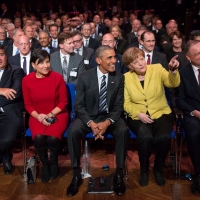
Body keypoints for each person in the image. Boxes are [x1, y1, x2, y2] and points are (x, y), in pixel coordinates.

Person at [66, 45, 129, 197]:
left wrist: (107, 122)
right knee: (73, 132)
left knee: (123, 131)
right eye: (110, 58)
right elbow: (79, 105)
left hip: (110, 116)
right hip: (89, 117)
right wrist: (92, 124)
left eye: (115, 57)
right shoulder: (84, 77)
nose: (114, 60)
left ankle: (119, 174)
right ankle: (76, 174)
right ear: (98, 60)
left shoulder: (119, 77)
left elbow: (119, 105)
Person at [123, 47, 180, 187]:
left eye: (142, 59)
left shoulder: (157, 68)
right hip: (137, 115)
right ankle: (144, 170)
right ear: (130, 66)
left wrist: (172, 70)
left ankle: (158, 169)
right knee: (146, 137)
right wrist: (138, 113)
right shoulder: (125, 78)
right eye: (136, 62)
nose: (141, 63)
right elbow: (125, 103)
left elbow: (173, 83)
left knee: (163, 138)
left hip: (161, 111)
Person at [22, 49, 69, 183]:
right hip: (36, 115)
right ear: (33, 65)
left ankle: (53, 162)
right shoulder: (26, 80)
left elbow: (63, 102)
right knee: (38, 138)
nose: (45, 65)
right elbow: (28, 104)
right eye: (41, 63)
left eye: (47, 62)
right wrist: (39, 117)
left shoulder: (57, 77)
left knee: (54, 138)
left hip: (57, 113)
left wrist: (49, 115)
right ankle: (45, 164)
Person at [176, 40, 200, 195]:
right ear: (189, 57)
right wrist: (195, 112)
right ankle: (199, 173)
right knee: (194, 133)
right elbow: (179, 100)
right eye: (197, 53)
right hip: (193, 114)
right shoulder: (183, 73)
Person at [0, 45, 24, 175]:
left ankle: (3, 154)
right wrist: (1, 91)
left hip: (9, 112)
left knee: (7, 139)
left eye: (1, 55)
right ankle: (5, 156)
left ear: (6, 56)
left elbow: (15, 94)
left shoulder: (16, 71)